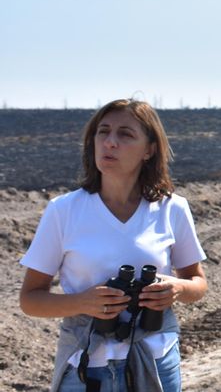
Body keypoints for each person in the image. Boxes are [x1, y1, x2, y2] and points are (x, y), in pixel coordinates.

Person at [19, 99, 208, 392]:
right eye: (103, 132)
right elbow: (30, 299)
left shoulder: (173, 209)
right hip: (84, 369)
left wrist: (176, 289)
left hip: (155, 363)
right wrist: (83, 302)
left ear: (149, 149)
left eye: (125, 134)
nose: (110, 142)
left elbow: (198, 284)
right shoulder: (64, 210)